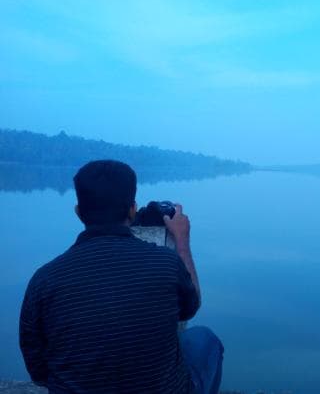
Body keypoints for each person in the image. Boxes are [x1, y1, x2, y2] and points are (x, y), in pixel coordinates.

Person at [19, 160, 223, 394]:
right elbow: (191, 306)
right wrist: (182, 241)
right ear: (132, 210)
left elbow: (37, 370)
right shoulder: (165, 264)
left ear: (78, 212)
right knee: (204, 340)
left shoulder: (44, 280)